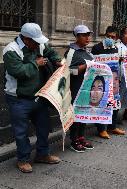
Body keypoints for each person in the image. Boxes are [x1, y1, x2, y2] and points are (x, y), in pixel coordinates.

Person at [3, 23, 61, 173]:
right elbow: (18, 71)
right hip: (18, 98)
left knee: (44, 127)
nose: (39, 44)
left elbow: (50, 52)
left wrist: (57, 60)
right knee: (21, 132)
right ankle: (23, 159)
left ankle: (42, 154)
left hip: (38, 96)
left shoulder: (39, 45)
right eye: (36, 41)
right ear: (26, 39)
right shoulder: (11, 50)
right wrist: (36, 63)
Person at [91, 26, 125, 139]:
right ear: (105, 35)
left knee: (114, 103)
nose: (110, 38)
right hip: (101, 80)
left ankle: (112, 126)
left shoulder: (115, 48)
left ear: (116, 38)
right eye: (108, 36)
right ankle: (101, 129)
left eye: (113, 37)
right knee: (102, 103)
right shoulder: (97, 48)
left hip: (113, 81)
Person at [64, 25, 94, 152]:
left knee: (84, 114)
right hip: (75, 89)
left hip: (87, 89)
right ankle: (74, 139)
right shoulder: (71, 52)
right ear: (77, 36)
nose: (87, 38)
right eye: (84, 35)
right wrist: (85, 66)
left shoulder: (87, 51)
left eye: (88, 35)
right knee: (75, 115)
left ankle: (81, 136)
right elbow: (67, 71)